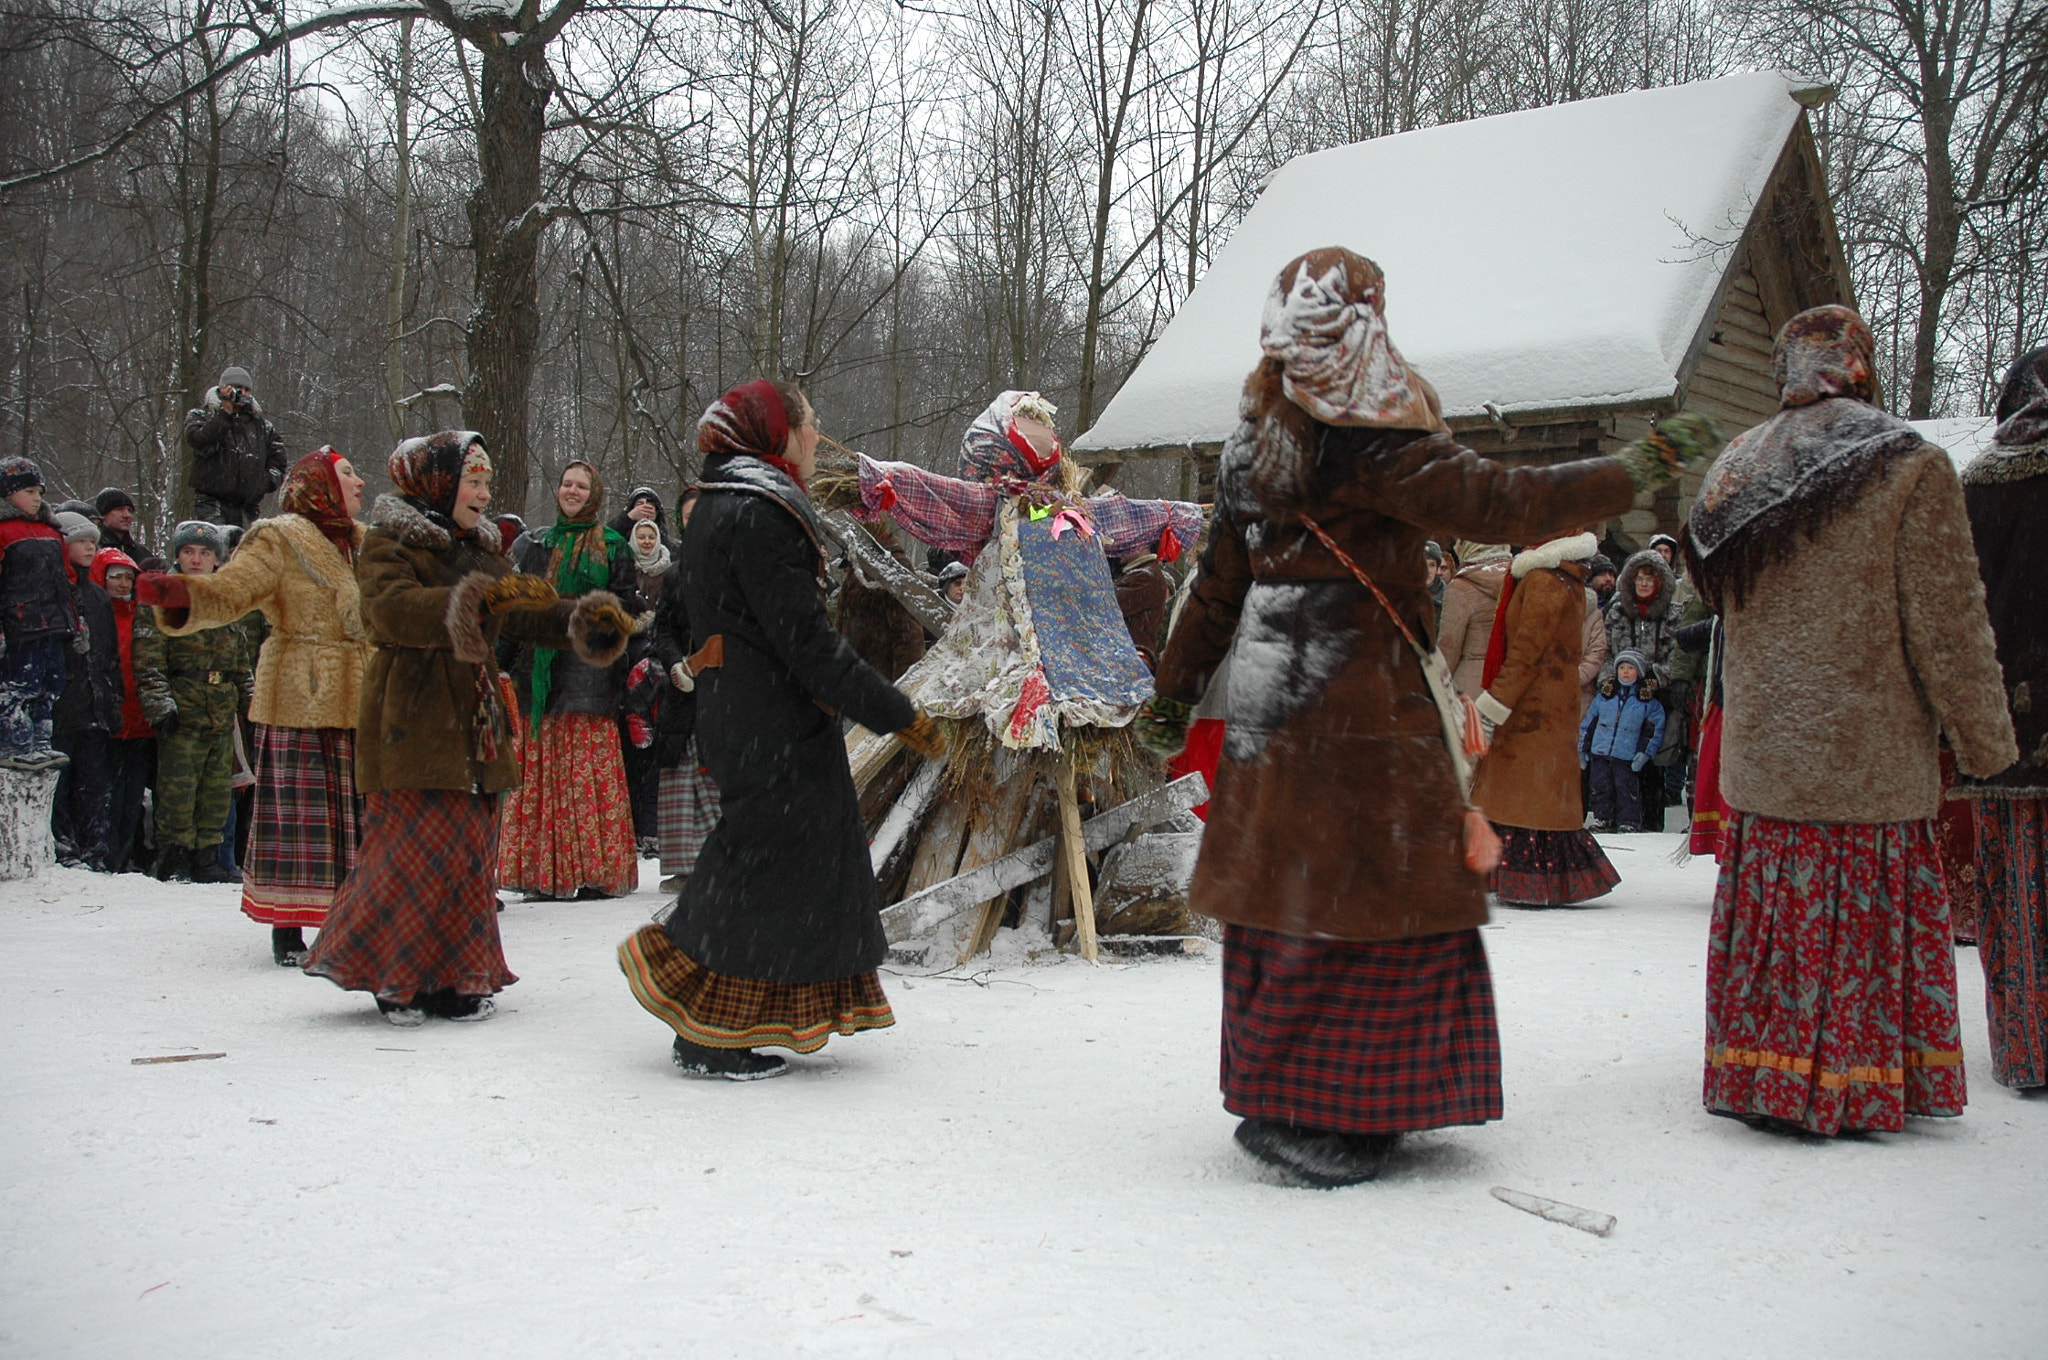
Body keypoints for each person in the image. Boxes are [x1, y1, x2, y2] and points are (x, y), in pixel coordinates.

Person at [1133, 247, 1717, 1186]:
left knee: (1291, 901)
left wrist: (1174, 691)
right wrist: (1638, 466)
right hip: (1366, 709)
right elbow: (1512, 500)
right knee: (1376, 904)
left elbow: (1214, 592)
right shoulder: (1379, 444)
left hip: (1273, 704)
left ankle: (1282, 1091)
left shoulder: (1250, 450)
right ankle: (1346, 1112)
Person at [1688, 304, 2016, 1137]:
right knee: (1856, 926)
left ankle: (1765, 1070)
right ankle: (1853, 1078)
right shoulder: (1905, 462)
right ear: (1859, 363)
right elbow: (1948, 618)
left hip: (1768, 758)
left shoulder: (1736, 467)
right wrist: (1987, 742)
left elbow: (1714, 597)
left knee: (1780, 924)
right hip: (1865, 754)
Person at [619, 379, 942, 1080]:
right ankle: (703, 1021)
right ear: (777, 434)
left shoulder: (721, 503)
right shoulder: (759, 512)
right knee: (757, 865)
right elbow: (807, 642)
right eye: (809, 424)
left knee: (773, 863)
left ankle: (729, 1013)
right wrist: (897, 712)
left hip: (745, 713)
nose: (818, 436)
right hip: (769, 720)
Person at [305, 431, 631, 1024]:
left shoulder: (479, 547)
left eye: (486, 482)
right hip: (414, 712)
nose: (483, 493)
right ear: (439, 482)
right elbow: (388, 610)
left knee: (465, 854)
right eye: (473, 480)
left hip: (473, 719)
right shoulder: (389, 540)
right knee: (409, 849)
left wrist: (582, 622)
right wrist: (469, 602)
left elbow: (522, 607)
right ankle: (392, 974)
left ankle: (456, 975)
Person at [135, 449, 371, 965]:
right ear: (320, 484)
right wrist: (182, 595)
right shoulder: (278, 536)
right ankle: (286, 928)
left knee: (358, 815)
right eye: (348, 473)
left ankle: (354, 918)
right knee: (297, 816)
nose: (360, 481)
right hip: (299, 693)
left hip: (363, 694)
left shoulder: (363, 542)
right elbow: (233, 589)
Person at [1955, 345, 2048, 1090]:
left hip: (2005, 727)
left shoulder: (1981, 484)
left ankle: (2028, 1047)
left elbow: (1958, 606)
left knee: (2015, 887)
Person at [498, 461, 639, 900]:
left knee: (583, 768)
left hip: (588, 671)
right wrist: (501, 661)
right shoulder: (536, 544)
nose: (572, 491)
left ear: (594, 493)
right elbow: (515, 610)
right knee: (541, 768)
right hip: (536, 670)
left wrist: (586, 620)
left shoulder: (614, 546)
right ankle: (544, 873)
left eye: (581, 486)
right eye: (566, 484)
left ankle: (594, 871)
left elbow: (624, 609)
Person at [1469, 530, 1620, 906]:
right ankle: (1533, 875)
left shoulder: (1542, 580)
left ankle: (1531, 881)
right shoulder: (1563, 578)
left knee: (1526, 797)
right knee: (1534, 795)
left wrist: (1493, 704)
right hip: (1549, 703)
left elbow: (1526, 652)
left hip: (1533, 707)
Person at [132, 522, 257, 882]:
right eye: (189, 552)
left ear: (218, 560)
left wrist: (250, 703)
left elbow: (240, 661)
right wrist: (160, 705)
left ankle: (207, 859)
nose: (197, 560)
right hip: (182, 706)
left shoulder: (226, 600)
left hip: (220, 708)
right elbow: (148, 657)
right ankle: (175, 859)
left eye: (205, 554)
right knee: (178, 789)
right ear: (177, 555)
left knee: (217, 789)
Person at [647, 485, 717, 895]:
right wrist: (675, 663)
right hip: (683, 688)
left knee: (717, 777)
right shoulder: (674, 574)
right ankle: (683, 866)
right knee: (680, 774)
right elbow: (664, 629)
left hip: (724, 689)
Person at [0, 457, 82, 772]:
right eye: (30, 491)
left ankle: (41, 741)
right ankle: (14, 741)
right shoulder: (4, 530)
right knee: (20, 683)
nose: (37, 498)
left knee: (52, 683)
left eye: (40, 492)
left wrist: (76, 621)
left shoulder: (52, 531)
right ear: (8, 494)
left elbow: (68, 579)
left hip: (55, 624)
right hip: (20, 626)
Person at [52, 513, 120, 867]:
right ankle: (62, 848)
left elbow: (109, 656)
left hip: (95, 707)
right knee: (60, 785)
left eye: (93, 541)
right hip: (62, 707)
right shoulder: (52, 592)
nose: (90, 546)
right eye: (81, 540)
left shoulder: (96, 596)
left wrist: (112, 702)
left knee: (95, 785)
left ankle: (95, 849)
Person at [89, 547, 153, 872]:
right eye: (115, 577)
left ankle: (125, 856)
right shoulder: (97, 616)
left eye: (128, 577)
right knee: (105, 794)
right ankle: (106, 857)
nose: (122, 583)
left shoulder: (141, 614)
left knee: (133, 798)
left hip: (140, 721)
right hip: (108, 722)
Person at [184, 367, 288, 527]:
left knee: (245, 551)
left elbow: (279, 463)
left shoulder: (263, 427)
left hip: (247, 508)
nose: (243, 393)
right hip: (212, 503)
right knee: (216, 549)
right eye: (237, 388)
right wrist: (225, 413)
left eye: (247, 389)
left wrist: (262, 484)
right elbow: (199, 441)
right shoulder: (202, 415)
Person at [1579, 650, 1665, 833]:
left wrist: (1644, 753)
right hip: (1600, 752)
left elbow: (1653, 730)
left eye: (1631, 668)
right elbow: (1589, 723)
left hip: (1626, 755)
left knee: (1626, 790)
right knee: (1601, 787)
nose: (1625, 672)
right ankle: (1603, 818)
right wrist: (1583, 747)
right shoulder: (1604, 697)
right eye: (1622, 668)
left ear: (1639, 672)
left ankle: (1629, 821)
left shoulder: (1648, 702)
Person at [1439, 542, 1512, 699]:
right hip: (1509, 684)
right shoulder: (1521, 581)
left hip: (1470, 686)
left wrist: (1437, 686)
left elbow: (1449, 646)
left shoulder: (1460, 587)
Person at [1111, 538, 1170, 671]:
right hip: (1129, 658)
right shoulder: (1143, 573)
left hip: (1131, 661)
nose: (1119, 546)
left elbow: (1105, 605)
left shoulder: (1145, 577)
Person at [92, 488, 164, 572]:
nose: (127, 515)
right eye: (119, 509)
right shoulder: (92, 549)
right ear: (102, 515)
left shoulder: (142, 553)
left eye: (130, 510)